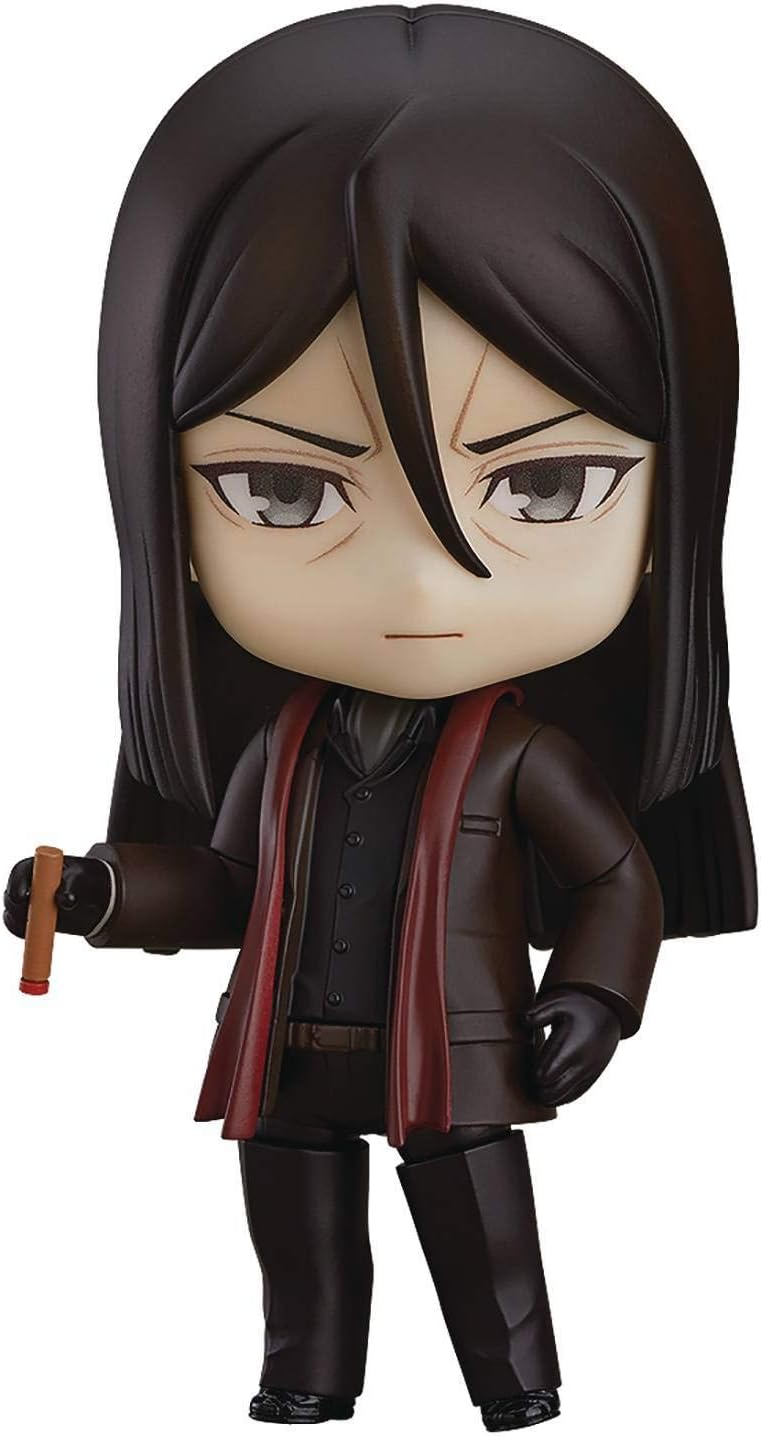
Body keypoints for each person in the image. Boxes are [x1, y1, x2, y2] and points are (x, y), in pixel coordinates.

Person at [4, 7, 755, 1429]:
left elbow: (614, 878)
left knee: (482, 1239)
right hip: (289, 1051)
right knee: (294, 1240)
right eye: (284, 490)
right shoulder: (277, 752)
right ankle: (305, 1382)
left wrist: (593, 999)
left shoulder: (520, 755)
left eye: (543, 487)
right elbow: (228, 884)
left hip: (456, 1051)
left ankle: (514, 1390)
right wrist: (102, 895)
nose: (416, 586)